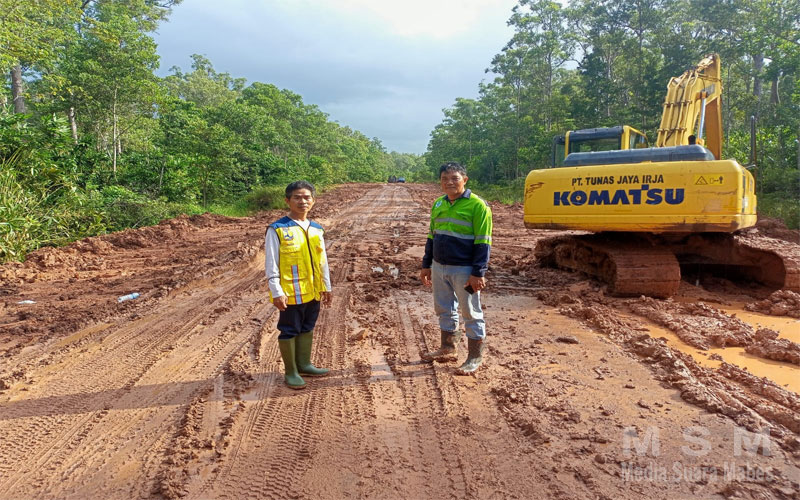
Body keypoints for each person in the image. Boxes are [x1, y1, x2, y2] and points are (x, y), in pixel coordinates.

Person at [419, 162, 492, 375]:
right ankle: (448, 348)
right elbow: (432, 236)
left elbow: (483, 241)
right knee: (444, 308)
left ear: (465, 180)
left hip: (464, 270)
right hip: (439, 267)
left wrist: (478, 273)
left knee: (471, 311)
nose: (449, 182)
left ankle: (474, 357)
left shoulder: (478, 205)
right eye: (445, 179)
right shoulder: (438, 204)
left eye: (454, 178)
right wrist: (426, 264)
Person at [265, 181, 332, 389]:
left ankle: (304, 365)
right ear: (287, 201)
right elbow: (271, 263)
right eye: (297, 197)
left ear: (313, 201)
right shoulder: (277, 229)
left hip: (313, 290)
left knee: (307, 327)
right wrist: (276, 291)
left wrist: (326, 286)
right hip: (290, 292)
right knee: (289, 330)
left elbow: (322, 261)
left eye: (306, 197)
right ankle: (291, 372)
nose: (302, 201)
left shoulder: (316, 229)